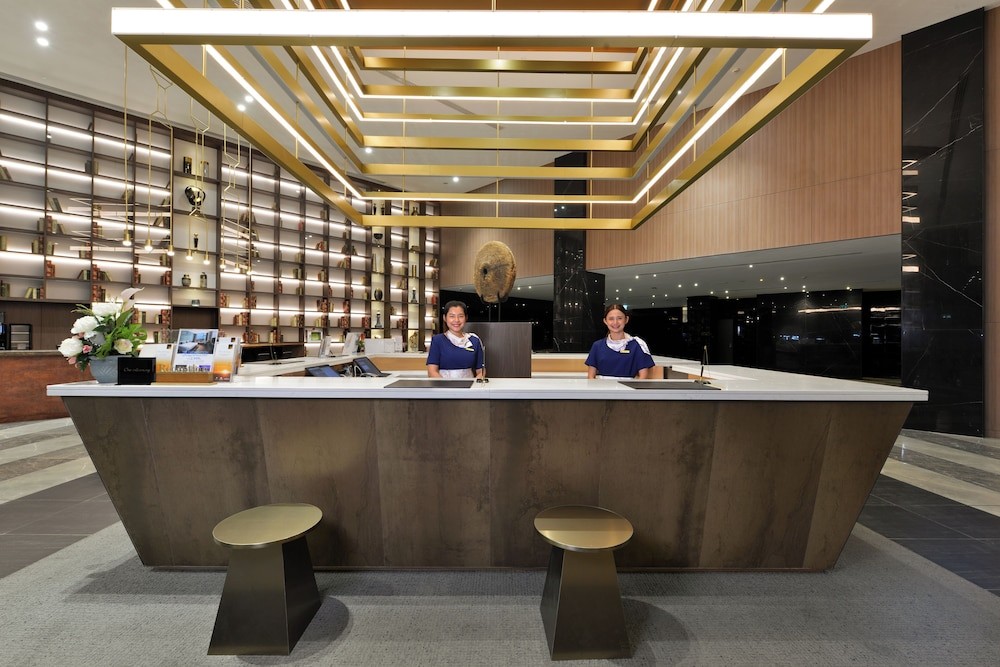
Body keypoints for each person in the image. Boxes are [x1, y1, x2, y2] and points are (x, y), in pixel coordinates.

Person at [585, 303, 655, 379]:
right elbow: (591, 376)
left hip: (628, 386)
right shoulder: (597, 346)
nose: (615, 322)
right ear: (605, 321)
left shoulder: (637, 345)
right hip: (602, 386)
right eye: (611, 319)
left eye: (619, 318)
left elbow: (643, 377)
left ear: (626, 319)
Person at [427, 300, 485, 379]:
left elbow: (481, 370)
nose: (456, 320)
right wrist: (445, 385)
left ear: (466, 318)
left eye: (460, 316)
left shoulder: (474, 340)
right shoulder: (437, 340)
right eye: (452, 316)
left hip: (469, 385)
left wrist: (476, 382)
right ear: (444, 318)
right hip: (443, 385)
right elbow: (432, 371)